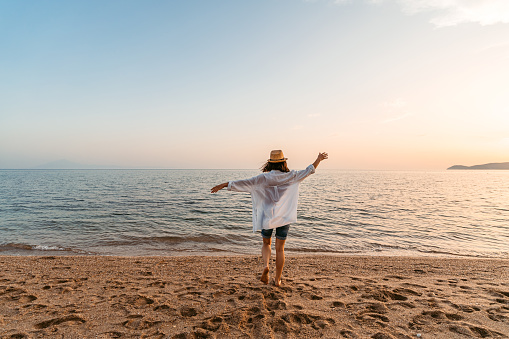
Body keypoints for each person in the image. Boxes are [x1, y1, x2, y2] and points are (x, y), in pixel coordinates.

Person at [211, 150, 328, 287]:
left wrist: (224, 185)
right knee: (280, 249)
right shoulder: (292, 176)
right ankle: (277, 279)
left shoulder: (263, 178)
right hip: (284, 217)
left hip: (267, 216)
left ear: (270, 164)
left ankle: (266, 266)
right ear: (284, 162)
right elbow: (309, 170)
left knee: (266, 243)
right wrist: (319, 159)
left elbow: (244, 183)